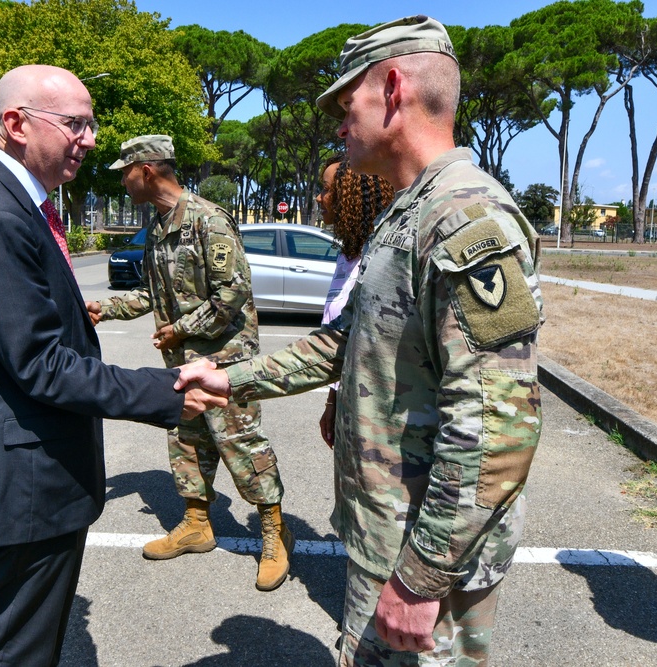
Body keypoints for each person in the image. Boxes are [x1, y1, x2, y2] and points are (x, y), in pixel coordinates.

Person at [178, 16, 544, 665]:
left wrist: (423, 575)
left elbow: (499, 424)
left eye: (347, 107)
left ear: (394, 89)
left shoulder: (464, 217)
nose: (339, 127)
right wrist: (229, 379)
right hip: (386, 541)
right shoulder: (407, 211)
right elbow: (340, 344)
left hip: (425, 560)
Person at [0, 65, 226, 666]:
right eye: (75, 123)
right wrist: (166, 390)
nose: (91, 138)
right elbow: (41, 363)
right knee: (17, 653)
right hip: (26, 484)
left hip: (29, 474)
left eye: (89, 123)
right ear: (16, 124)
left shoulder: (8, 203)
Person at [85, 135, 293, 592]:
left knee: (241, 444)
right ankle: (197, 524)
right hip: (182, 363)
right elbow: (153, 295)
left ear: (148, 170)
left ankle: (276, 535)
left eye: (126, 171)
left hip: (225, 359)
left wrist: (180, 329)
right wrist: (106, 308)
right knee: (187, 442)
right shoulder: (159, 226)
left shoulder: (208, 219)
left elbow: (232, 292)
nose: (123, 180)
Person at [315, 155, 393, 448]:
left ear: (351, 198)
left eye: (326, 189)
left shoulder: (377, 258)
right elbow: (339, 338)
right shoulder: (348, 255)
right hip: (348, 399)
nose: (319, 198)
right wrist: (332, 402)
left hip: (375, 413)